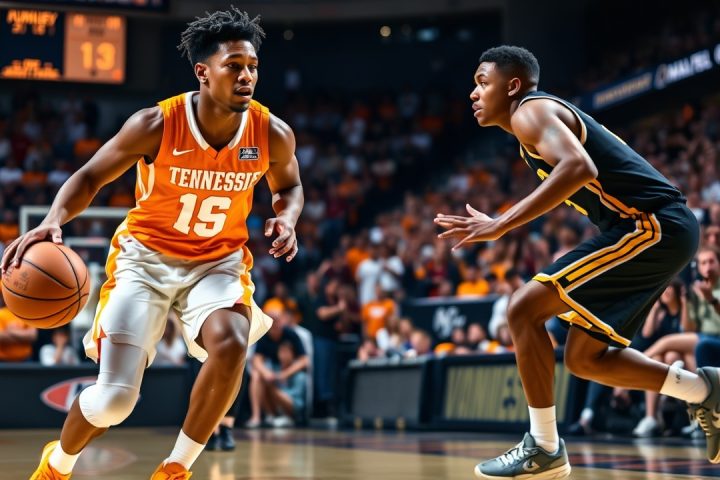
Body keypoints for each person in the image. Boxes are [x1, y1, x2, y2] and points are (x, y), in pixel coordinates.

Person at [2, 8, 303, 479]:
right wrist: (53, 220)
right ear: (203, 72)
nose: (247, 76)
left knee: (232, 343)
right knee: (115, 401)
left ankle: (175, 468)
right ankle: (57, 464)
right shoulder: (156, 123)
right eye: (234, 66)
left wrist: (286, 217)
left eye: (252, 66)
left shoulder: (272, 133)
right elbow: (90, 176)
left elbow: (289, 186)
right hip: (145, 259)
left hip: (216, 261)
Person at [434, 45, 719, 479]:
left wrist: (501, 224)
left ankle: (544, 447)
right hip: (654, 228)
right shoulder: (533, 124)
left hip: (652, 225)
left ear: (512, 86)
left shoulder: (530, 111)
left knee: (522, 308)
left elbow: (578, 167)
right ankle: (704, 389)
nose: (473, 93)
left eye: (482, 82)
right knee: (586, 359)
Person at [247, 308, 308, 428]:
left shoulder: (291, 334)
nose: (282, 355)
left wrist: (285, 374)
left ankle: (286, 416)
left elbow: (304, 361)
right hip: (274, 372)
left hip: (289, 374)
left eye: (277, 320)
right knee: (256, 375)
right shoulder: (264, 335)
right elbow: (256, 359)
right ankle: (259, 415)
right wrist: (266, 373)